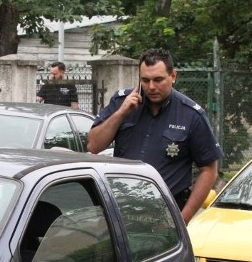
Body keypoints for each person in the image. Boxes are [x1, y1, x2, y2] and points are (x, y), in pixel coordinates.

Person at [87, 48, 222, 223]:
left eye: (158, 80)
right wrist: (121, 113)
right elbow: (93, 145)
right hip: (120, 211)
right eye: (145, 80)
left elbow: (209, 170)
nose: (151, 87)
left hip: (165, 215)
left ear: (173, 76)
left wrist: (183, 219)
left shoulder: (191, 115)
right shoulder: (122, 102)